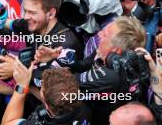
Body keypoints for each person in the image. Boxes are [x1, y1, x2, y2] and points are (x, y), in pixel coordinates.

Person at [34, 16, 162, 124]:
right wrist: (57, 57)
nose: (99, 34)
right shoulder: (107, 53)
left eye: (104, 34)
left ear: (116, 51)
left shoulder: (111, 76)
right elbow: (82, 65)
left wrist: (30, 74)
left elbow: (63, 85)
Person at [0, 0, 84, 83]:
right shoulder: (33, 23)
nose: (25, 17)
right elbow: (4, 22)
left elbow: (52, 90)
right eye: (25, 11)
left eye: (32, 12)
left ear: (51, 14)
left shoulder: (66, 45)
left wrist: (16, 69)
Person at [1, 58, 91, 125]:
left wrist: (21, 86)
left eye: (41, 88)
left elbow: (6, 123)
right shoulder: (86, 105)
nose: (40, 88)